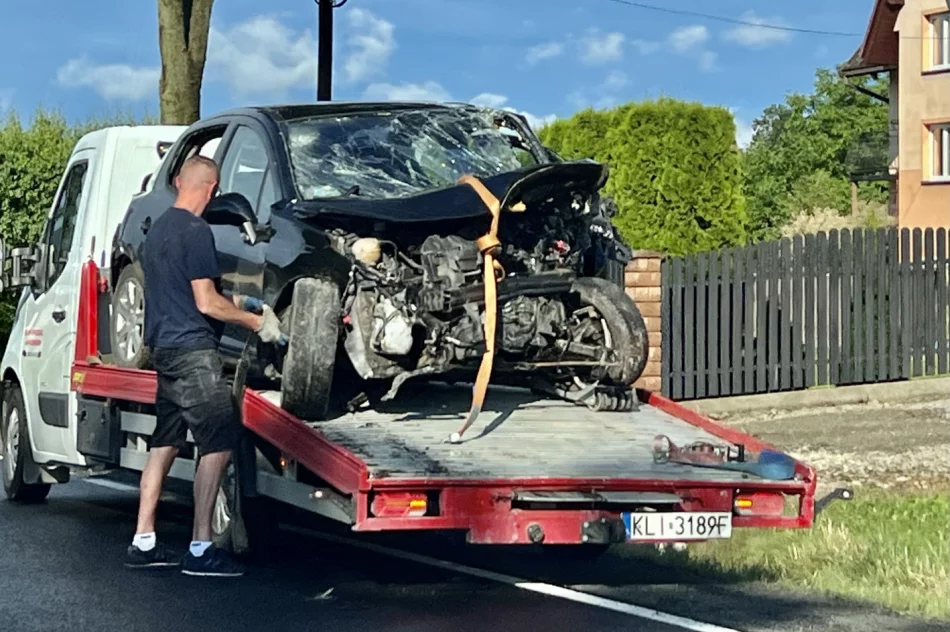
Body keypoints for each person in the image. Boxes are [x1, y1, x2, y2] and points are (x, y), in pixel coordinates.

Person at [124, 155, 282, 577]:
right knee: (219, 441)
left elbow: (182, 292)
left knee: (165, 444)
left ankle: (144, 541)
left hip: (164, 351)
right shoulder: (196, 232)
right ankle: (200, 548)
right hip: (194, 352)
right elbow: (205, 302)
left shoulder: (157, 230)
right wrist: (256, 321)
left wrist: (239, 303)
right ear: (212, 189)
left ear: (178, 182)